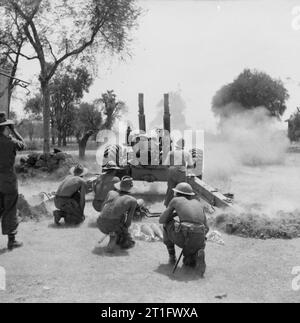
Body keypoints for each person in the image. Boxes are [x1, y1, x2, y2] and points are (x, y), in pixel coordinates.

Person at [159, 182, 209, 276]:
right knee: (188, 262)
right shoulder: (198, 203)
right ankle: (196, 252)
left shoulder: (176, 200)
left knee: (166, 224)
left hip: (185, 237)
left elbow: (161, 220)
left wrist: (172, 214)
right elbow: (207, 228)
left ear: (177, 193)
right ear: (190, 195)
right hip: (200, 239)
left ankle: (172, 257)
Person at [0, 112, 25, 250]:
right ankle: (12, 241)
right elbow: (23, 144)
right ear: (6, 128)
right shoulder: (11, 142)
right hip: (8, 180)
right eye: (7, 127)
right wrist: (14, 130)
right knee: (10, 209)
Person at [97, 176, 138, 253]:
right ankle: (112, 242)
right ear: (130, 188)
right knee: (126, 242)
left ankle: (114, 234)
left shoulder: (111, 193)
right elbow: (128, 222)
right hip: (112, 225)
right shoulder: (132, 201)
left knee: (118, 221)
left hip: (99, 221)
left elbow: (102, 207)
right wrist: (124, 232)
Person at [163, 138, 194, 207]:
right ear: (183, 145)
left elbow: (165, 165)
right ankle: (182, 206)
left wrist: (171, 170)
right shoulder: (187, 153)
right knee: (182, 190)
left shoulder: (170, 153)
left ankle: (168, 206)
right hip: (181, 172)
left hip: (171, 171)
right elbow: (191, 165)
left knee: (170, 189)